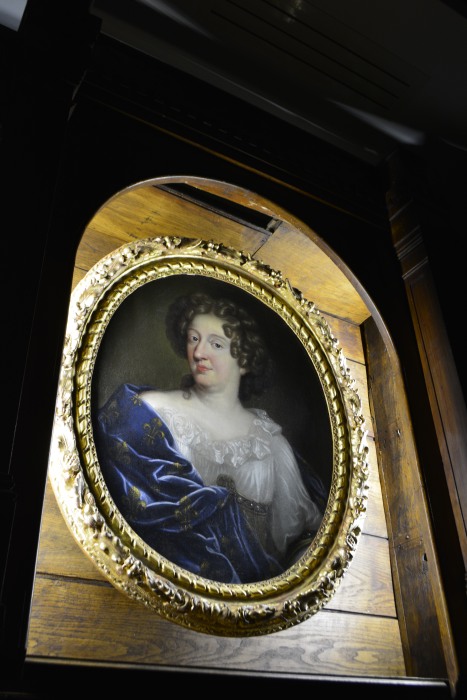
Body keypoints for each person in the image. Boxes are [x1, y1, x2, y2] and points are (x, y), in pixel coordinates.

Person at [93, 292, 327, 584]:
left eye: (216, 344)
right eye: (194, 339)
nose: (199, 353)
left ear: (244, 359)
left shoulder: (271, 445)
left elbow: (300, 537)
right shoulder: (151, 411)